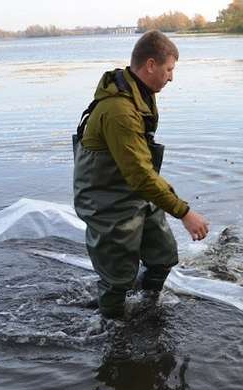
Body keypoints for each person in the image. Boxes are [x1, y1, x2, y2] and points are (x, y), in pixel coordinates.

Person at [73, 30, 209, 319]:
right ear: (150, 65)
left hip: (134, 193)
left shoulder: (140, 94)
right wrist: (185, 212)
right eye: (169, 69)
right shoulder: (119, 109)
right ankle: (111, 330)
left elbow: (140, 174)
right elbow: (140, 176)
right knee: (117, 279)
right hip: (106, 201)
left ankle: (147, 307)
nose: (171, 77)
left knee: (163, 257)